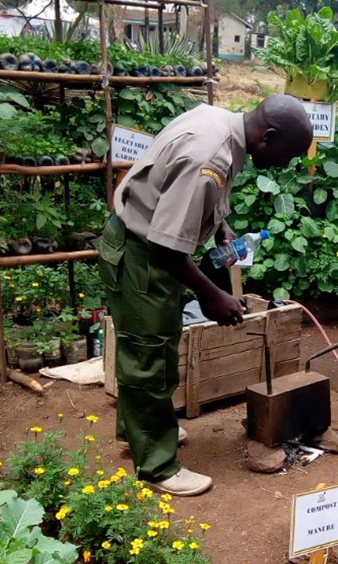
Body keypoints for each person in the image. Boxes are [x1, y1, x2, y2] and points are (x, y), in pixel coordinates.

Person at [98, 95, 313, 496]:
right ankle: (158, 466)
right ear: (267, 136)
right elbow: (166, 246)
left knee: (150, 348)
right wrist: (212, 295)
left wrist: (220, 226)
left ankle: (138, 431)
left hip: (141, 246)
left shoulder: (221, 123)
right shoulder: (209, 157)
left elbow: (178, 192)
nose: (287, 165)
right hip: (143, 255)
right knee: (149, 355)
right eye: (288, 155)